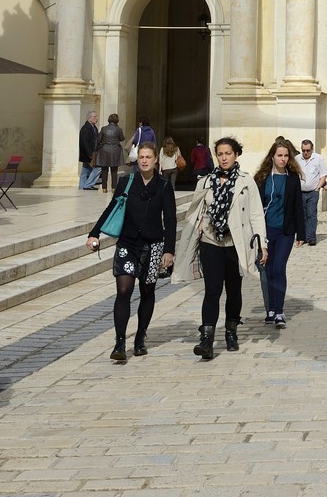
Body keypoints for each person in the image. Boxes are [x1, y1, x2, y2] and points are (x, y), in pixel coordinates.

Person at [86, 139, 176, 363]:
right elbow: (111, 208)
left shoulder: (164, 186)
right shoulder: (127, 181)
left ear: (156, 160)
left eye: (148, 157)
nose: (144, 161)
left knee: (147, 291)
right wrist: (94, 233)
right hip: (128, 244)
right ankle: (119, 342)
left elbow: (171, 221)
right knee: (124, 291)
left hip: (154, 245)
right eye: (141, 157)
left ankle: (140, 338)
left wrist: (169, 250)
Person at [181, 138, 266, 360]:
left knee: (234, 289)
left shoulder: (246, 182)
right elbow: (195, 213)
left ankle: (231, 331)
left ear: (236, 154)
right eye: (220, 154)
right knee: (212, 289)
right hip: (211, 241)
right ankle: (207, 338)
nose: (224, 157)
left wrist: (262, 245)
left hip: (235, 243)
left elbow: (256, 214)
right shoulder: (206, 182)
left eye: (228, 153)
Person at [254, 139, 304, 329]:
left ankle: (279, 310)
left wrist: (302, 233)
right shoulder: (262, 178)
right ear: (272, 157)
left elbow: (298, 205)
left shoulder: (292, 178)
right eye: (279, 155)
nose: (283, 159)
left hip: (285, 231)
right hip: (265, 230)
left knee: (278, 268)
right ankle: (271, 309)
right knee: (268, 271)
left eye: (285, 156)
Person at [295, 138, 327, 245]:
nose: (305, 152)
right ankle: (303, 236)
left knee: (311, 213)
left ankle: (311, 237)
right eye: (303, 150)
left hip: (313, 192)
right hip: (300, 192)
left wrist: (318, 187)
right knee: (302, 214)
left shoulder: (318, 159)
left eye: (308, 150)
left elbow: (323, 174)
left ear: (312, 149)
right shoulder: (297, 159)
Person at [95, 114, 125, 192]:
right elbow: (122, 138)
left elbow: (98, 140)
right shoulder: (119, 129)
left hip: (104, 150)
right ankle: (114, 187)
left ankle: (104, 188)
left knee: (104, 169)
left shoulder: (104, 129)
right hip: (115, 150)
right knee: (114, 170)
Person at [78, 111, 100, 190]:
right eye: (95, 117)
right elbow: (84, 143)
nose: (96, 118)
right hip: (88, 154)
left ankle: (81, 187)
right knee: (98, 168)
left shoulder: (93, 127)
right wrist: (89, 154)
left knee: (85, 171)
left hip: (91, 153)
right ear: (89, 118)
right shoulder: (85, 128)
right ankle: (88, 185)